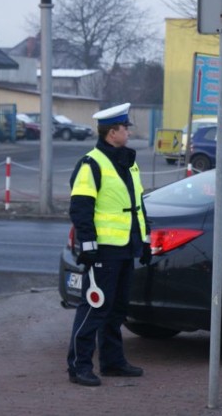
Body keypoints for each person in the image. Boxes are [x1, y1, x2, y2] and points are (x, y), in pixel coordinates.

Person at [66, 103, 152, 387]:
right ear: (111, 132)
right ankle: (79, 366)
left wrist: (145, 241)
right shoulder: (91, 164)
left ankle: (113, 363)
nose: (128, 131)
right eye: (124, 127)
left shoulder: (128, 161)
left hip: (126, 247)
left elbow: (137, 205)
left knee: (116, 309)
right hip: (103, 249)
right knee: (95, 307)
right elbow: (81, 208)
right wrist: (88, 245)